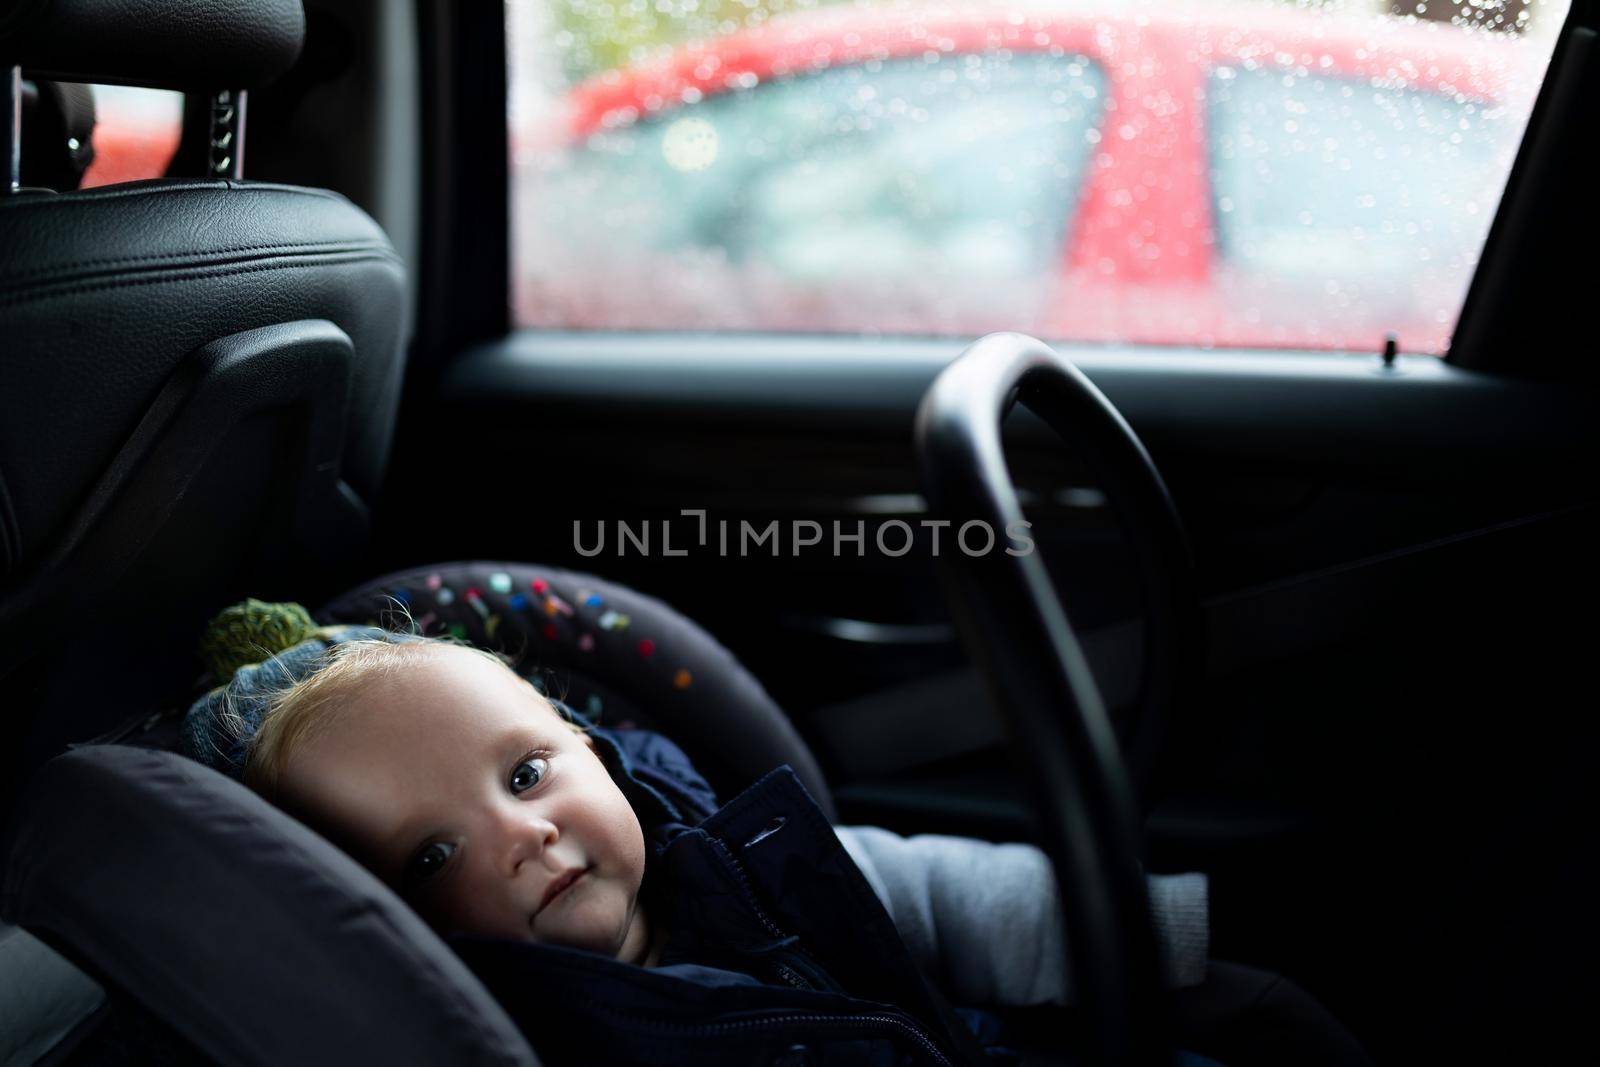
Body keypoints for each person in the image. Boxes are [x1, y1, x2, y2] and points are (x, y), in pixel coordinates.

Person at [183, 607, 1364, 1066]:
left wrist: (1143, 934)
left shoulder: (718, 847)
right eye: (428, 855)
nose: (522, 834)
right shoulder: (509, 1034)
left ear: (588, 742)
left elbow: (922, 893)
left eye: (527, 770)